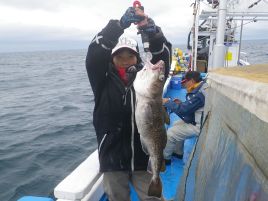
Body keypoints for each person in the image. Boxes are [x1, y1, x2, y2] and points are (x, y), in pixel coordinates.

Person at [85, 6, 171, 201]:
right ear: (111, 58)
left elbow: (163, 59)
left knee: (154, 198)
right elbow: (94, 55)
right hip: (112, 159)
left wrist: (152, 32)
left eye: (130, 56)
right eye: (119, 57)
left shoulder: (145, 81)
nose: (125, 61)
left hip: (144, 158)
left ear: (137, 58)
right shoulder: (101, 82)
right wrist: (119, 26)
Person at [162, 71, 208, 164]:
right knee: (176, 124)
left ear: (191, 81)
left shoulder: (198, 94)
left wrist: (167, 102)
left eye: (185, 82)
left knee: (171, 134)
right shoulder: (201, 86)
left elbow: (183, 110)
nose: (184, 85)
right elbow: (192, 106)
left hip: (199, 126)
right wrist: (181, 103)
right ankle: (178, 152)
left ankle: (165, 159)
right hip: (196, 119)